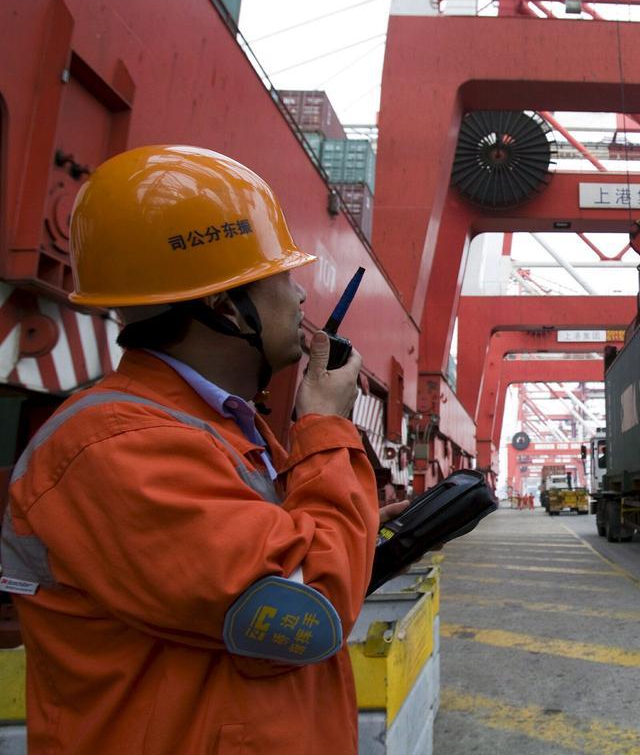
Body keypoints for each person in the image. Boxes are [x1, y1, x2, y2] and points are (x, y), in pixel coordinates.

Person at [0, 145, 392, 753]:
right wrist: (324, 428)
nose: (300, 299)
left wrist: (357, 532)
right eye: (280, 280)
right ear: (222, 308)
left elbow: (266, 565)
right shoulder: (119, 449)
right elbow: (312, 608)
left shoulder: (215, 427)